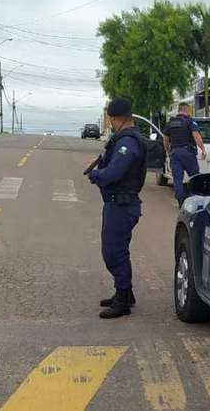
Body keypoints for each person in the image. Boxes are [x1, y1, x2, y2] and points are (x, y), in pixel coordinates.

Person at [87, 98, 147, 319]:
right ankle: (124, 293)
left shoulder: (127, 142)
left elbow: (114, 173)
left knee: (113, 252)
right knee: (118, 250)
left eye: (109, 119)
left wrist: (96, 175)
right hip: (118, 203)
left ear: (114, 118)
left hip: (122, 205)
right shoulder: (126, 139)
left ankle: (123, 301)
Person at [163, 102, 206, 205]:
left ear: (179, 110)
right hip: (188, 153)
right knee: (195, 176)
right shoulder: (190, 121)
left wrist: (168, 151)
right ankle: (196, 199)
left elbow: (165, 139)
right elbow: (196, 136)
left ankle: (180, 201)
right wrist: (203, 149)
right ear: (186, 110)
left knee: (177, 179)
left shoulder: (170, 123)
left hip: (175, 153)